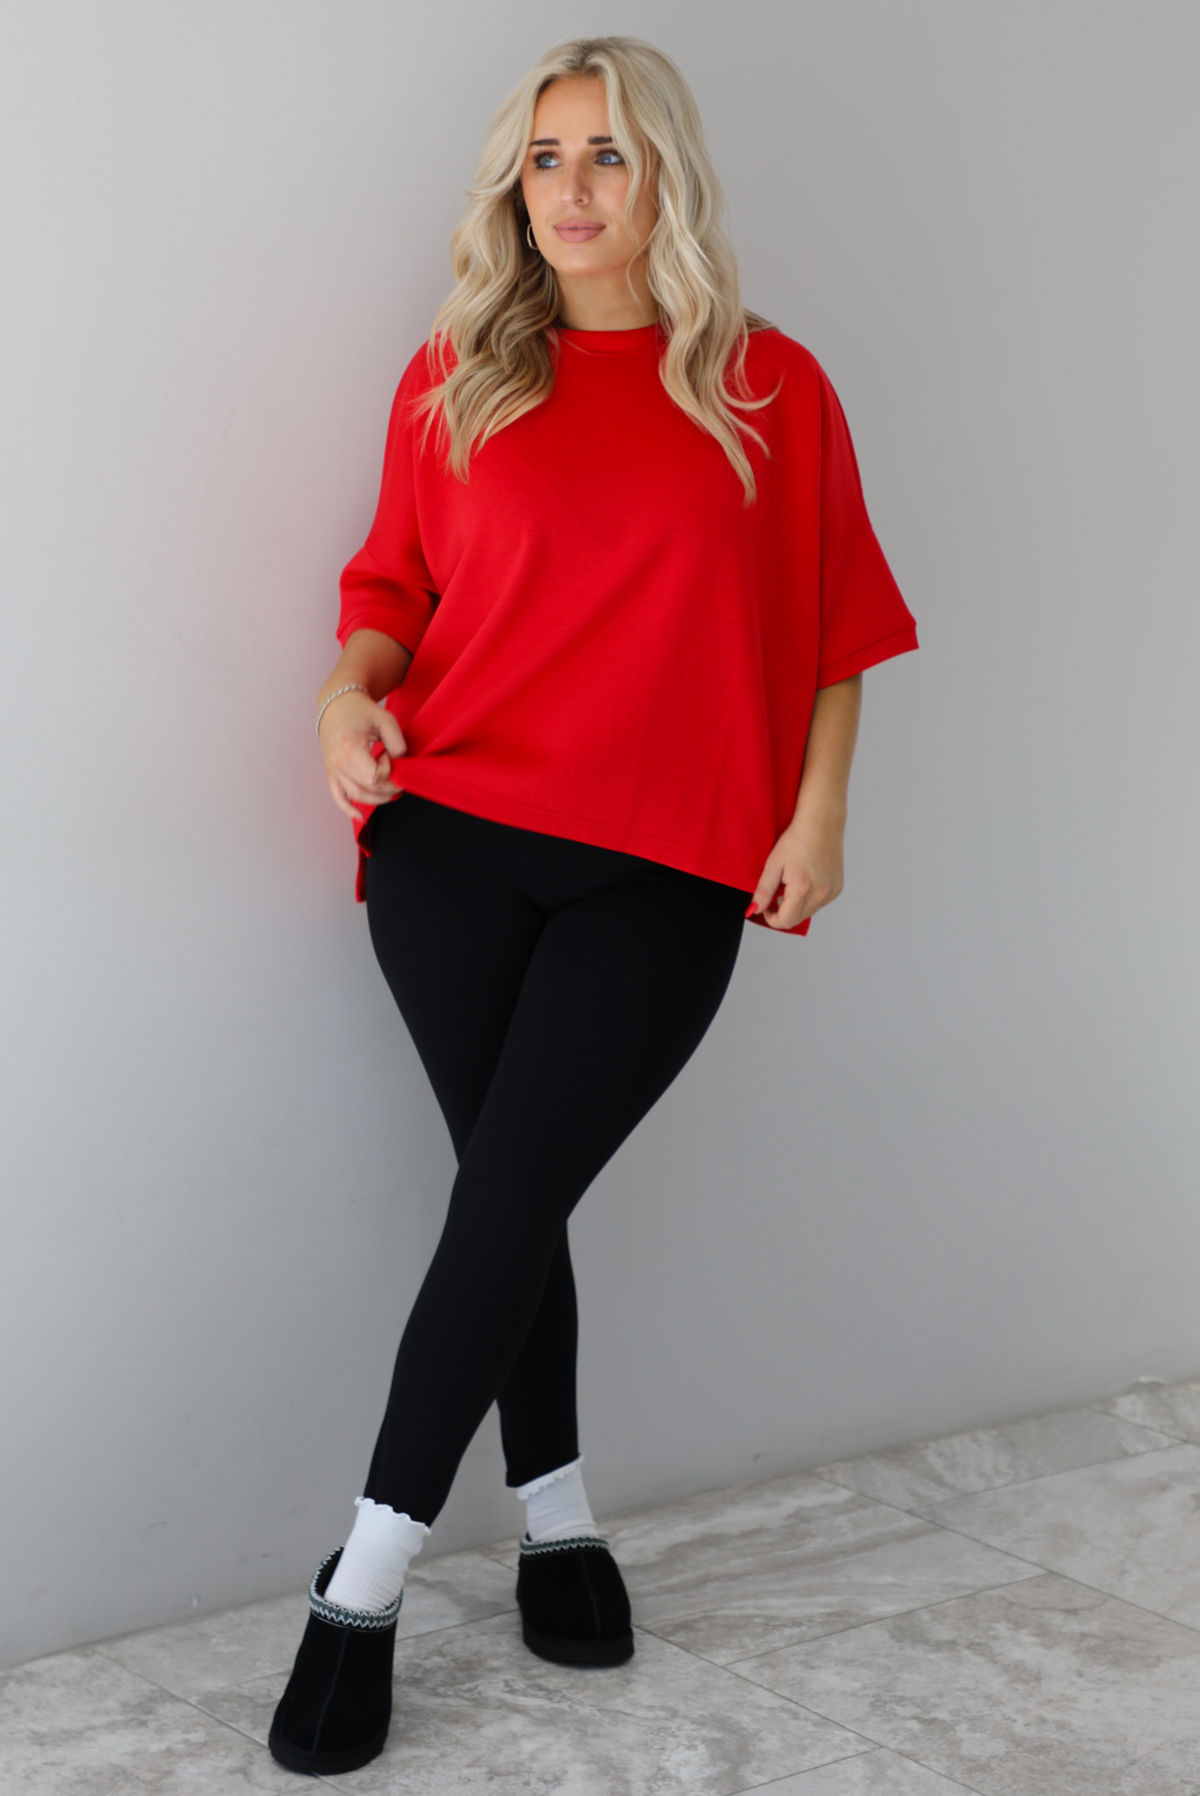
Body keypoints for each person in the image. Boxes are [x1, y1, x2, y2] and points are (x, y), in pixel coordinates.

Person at [268, 34, 918, 1777]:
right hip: (450, 838)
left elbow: (842, 624)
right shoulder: (458, 374)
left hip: (668, 861)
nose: (569, 188)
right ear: (514, 185)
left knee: (506, 1193)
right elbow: (388, 590)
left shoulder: (772, 385)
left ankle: (366, 1583)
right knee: (513, 1194)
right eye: (544, 157)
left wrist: (824, 810)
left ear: (666, 179)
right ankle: (556, 1521)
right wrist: (346, 702)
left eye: (607, 156)